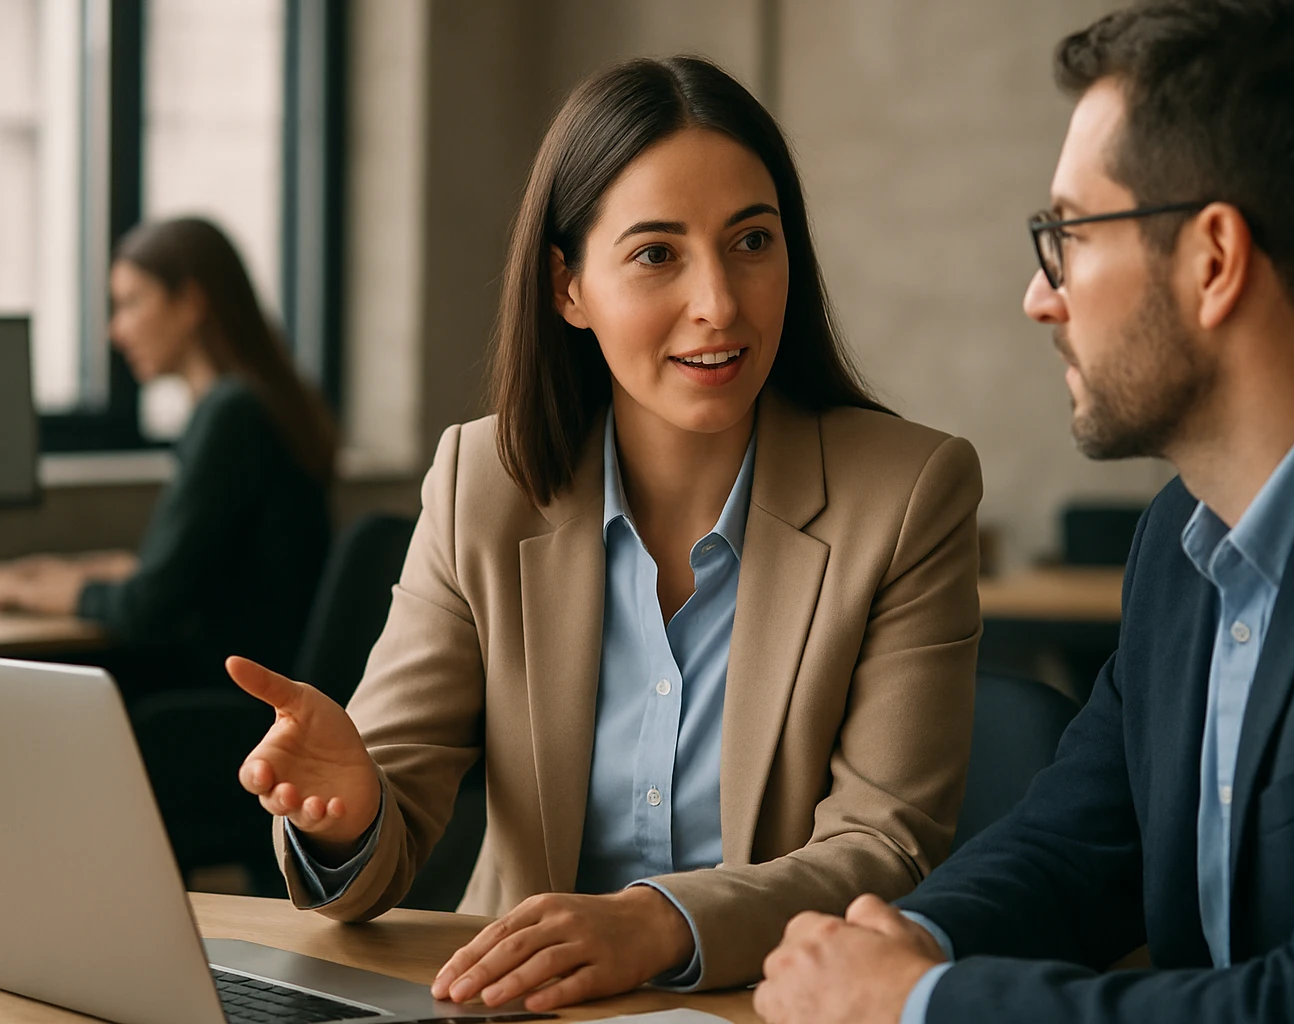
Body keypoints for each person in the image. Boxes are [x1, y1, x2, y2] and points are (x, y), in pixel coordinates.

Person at [753, 2, 1294, 1022]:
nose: (1041, 296)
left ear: (1213, 261)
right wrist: (897, 945)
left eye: (1067, 235)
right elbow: (1070, 850)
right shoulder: (1180, 539)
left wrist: (919, 1004)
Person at [227, 56, 983, 1014]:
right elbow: (383, 832)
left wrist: (657, 923)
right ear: (568, 286)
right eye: (657, 254)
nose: (719, 302)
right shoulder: (481, 482)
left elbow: (886, 848)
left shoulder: (909, 493)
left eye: (752, 241)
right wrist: (352, 813)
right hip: (511, 1003)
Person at [0, 218, 334, 693]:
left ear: (191, 302)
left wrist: (25, 590)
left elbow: (146, 608)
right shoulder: (255, 404)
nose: (116, 331)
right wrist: (67, 573)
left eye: (132, 303)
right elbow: (187, 573)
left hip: (217, 692)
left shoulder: (232, 415)